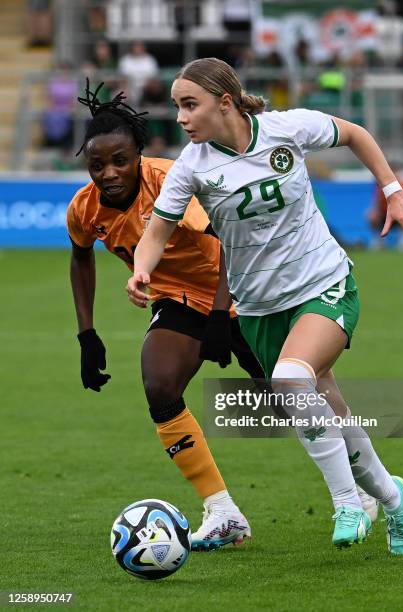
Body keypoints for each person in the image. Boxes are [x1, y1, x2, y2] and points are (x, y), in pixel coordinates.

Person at [127, 57, 403, 555]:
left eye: (189, 105)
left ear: (225, 102)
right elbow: (155, 234)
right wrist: (141, 269)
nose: (180, 117)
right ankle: (393, 500)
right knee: (329, 410)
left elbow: (354, 133)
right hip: (261, 309)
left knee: (290, 380)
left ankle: (347, 502)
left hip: (323, 283)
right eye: (177, 106)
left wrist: (393, 191)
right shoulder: (191, 168)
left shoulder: (287, 129)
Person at [67, 80, 266, 550]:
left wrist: (222, 317)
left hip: (243, 289)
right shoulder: (84, 207)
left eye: (120, 160)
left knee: (291, 398)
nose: (109, 172)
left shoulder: (170, 182)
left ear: (138, 153)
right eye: (97, 164)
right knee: (159, 386)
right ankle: (222, 512)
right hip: (177, 298)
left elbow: (226, 248)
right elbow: (81, 257)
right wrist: (86, 335)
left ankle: (364, 484)